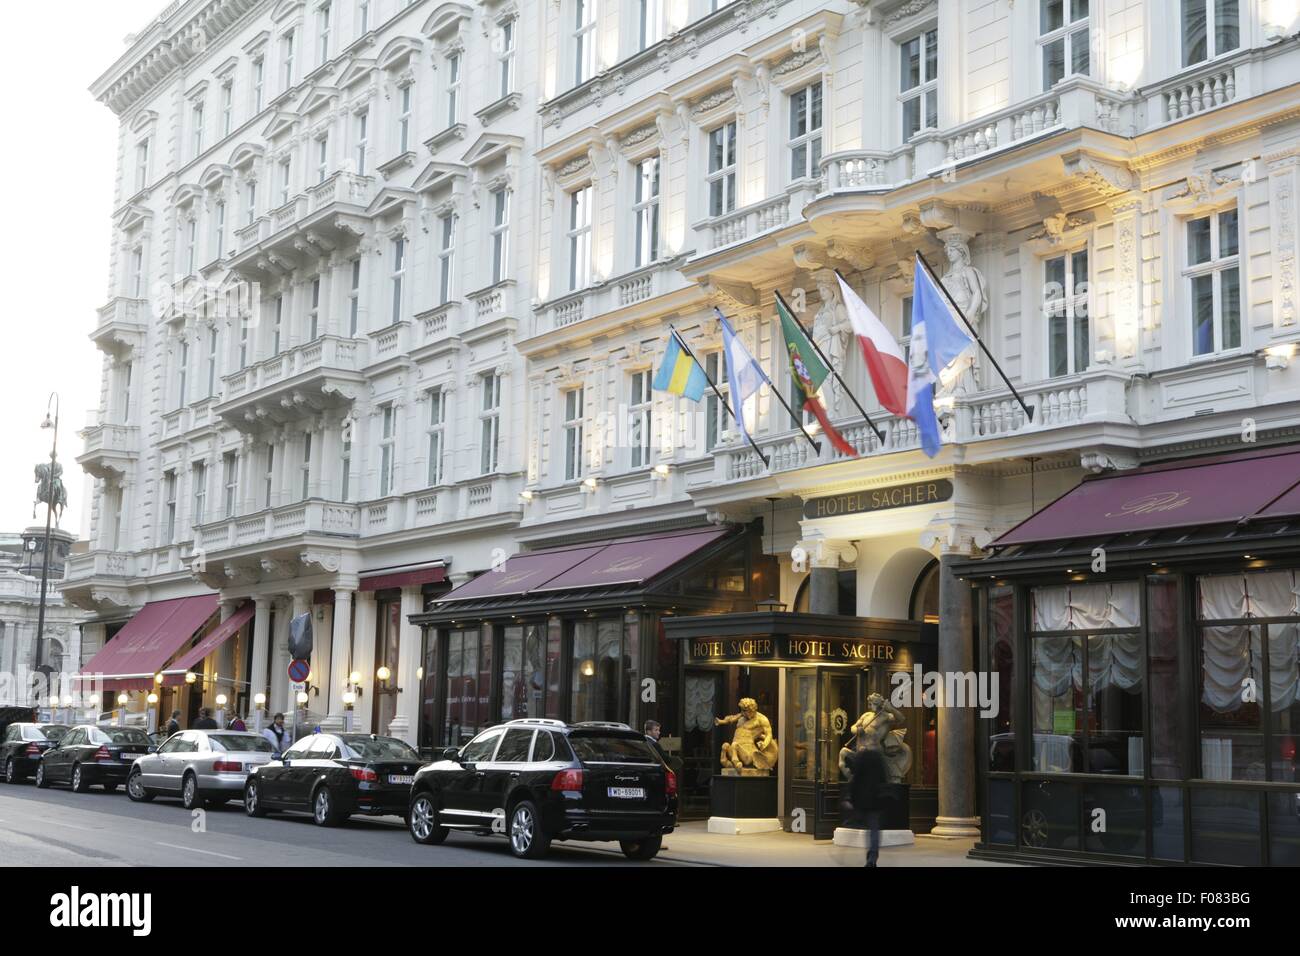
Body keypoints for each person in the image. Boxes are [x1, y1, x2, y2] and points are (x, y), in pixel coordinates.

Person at [847, 745, 887, 867]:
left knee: (867, 828)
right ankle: (872, 857)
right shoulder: (879, 759)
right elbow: (884, 779)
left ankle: (870, 856)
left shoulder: (861, 758)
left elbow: (855, 779)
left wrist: (850, 798)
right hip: (876, 799)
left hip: (862, 800)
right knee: (874, 828)